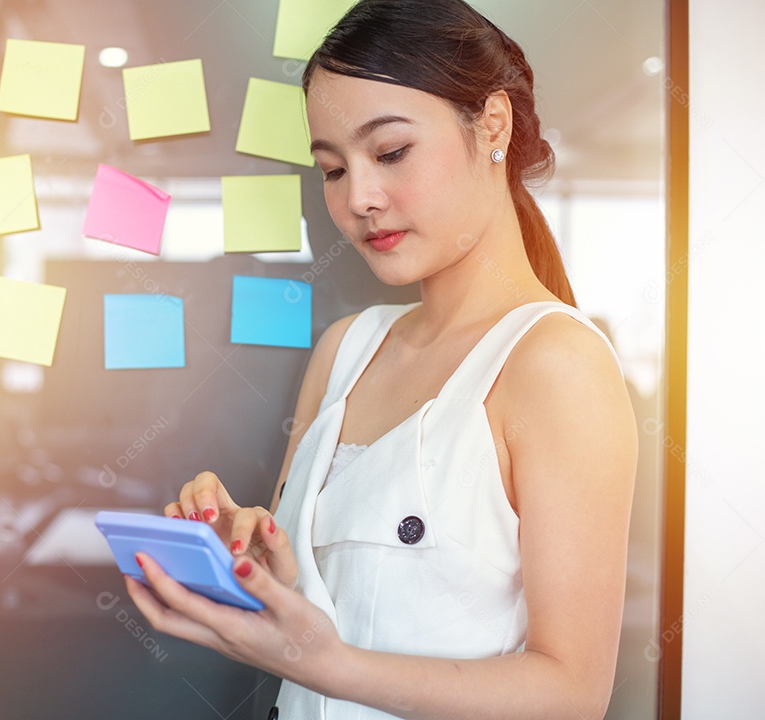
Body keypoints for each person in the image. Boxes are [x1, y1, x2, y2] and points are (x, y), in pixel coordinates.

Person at [123, 1, 638, 718]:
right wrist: (247, 559)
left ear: (492, 124)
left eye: (390, 152)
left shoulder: (556, 364)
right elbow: (329, 603)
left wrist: (331, 665)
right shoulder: (347, 348)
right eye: (333, 169)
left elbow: (572, 694)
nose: (359, 197)